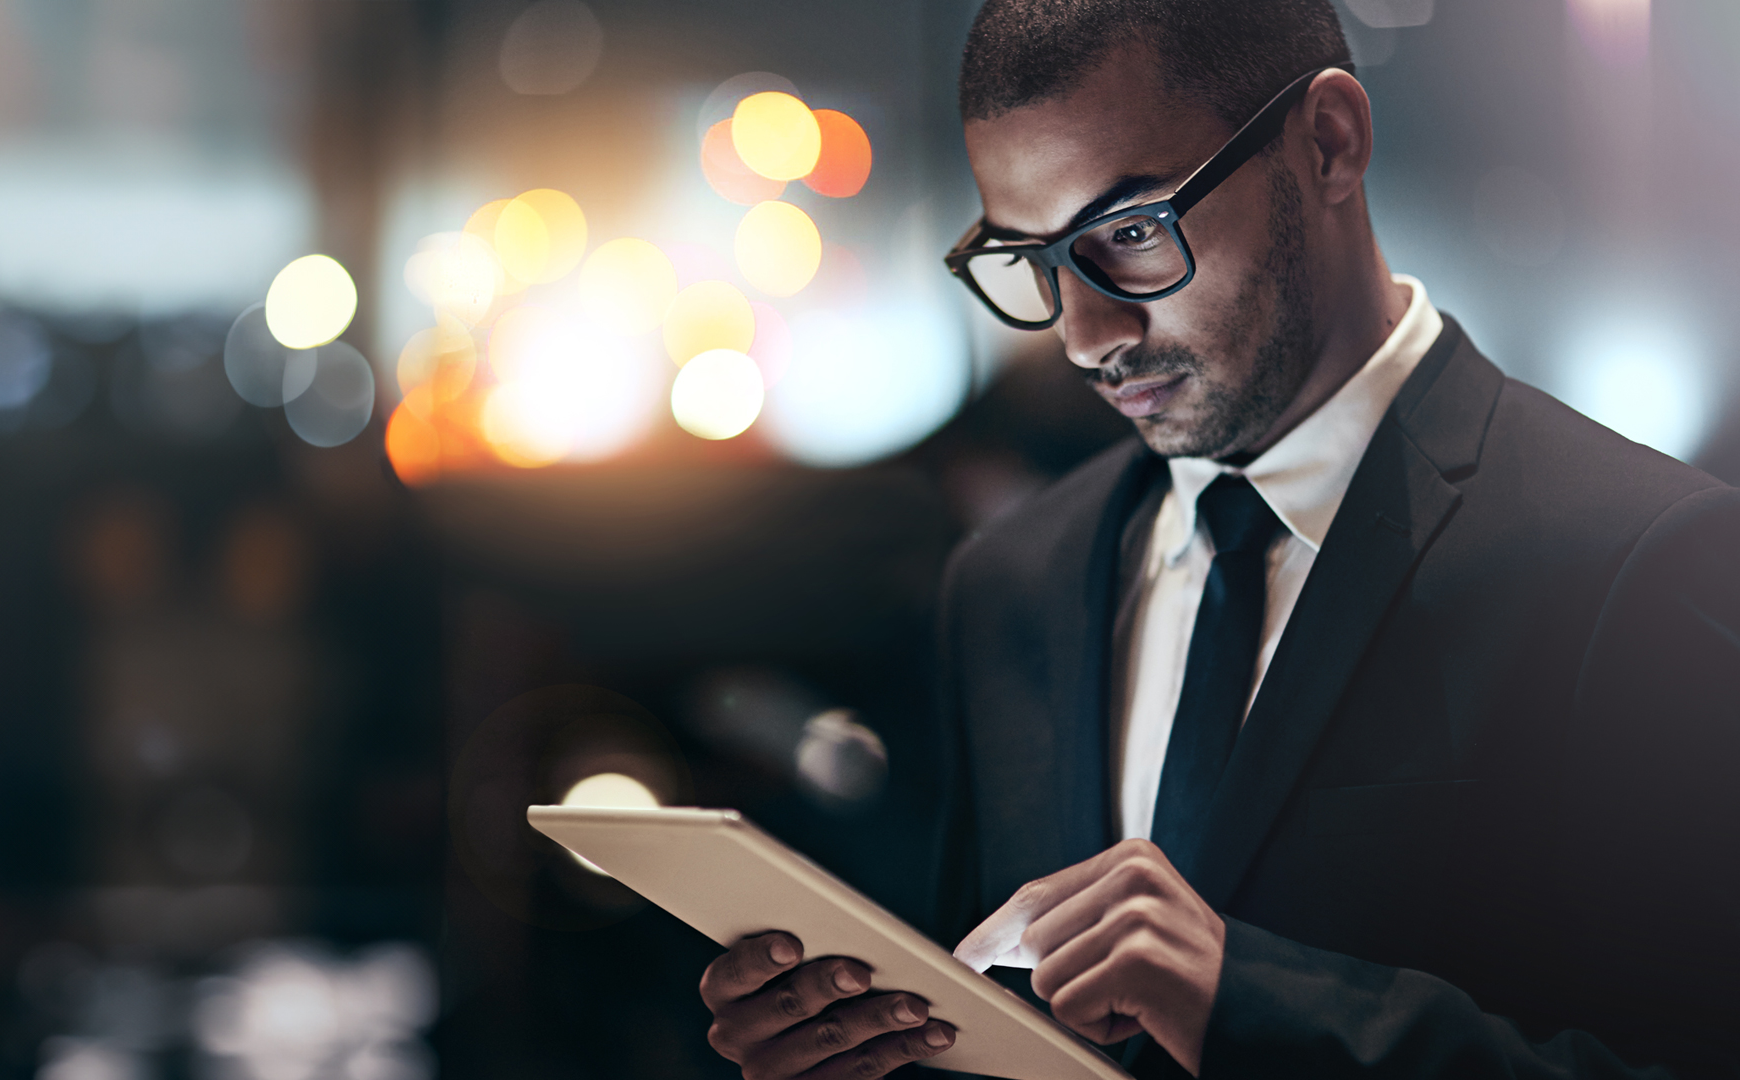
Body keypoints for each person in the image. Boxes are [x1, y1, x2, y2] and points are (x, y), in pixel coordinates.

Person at [697, 1, 1740, 1078]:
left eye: (1134, 233)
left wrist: (1254, 1006)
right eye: (1032, 259)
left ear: (1329, 143)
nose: (1084, 335)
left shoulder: (1632, 562)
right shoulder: (1010, 583)